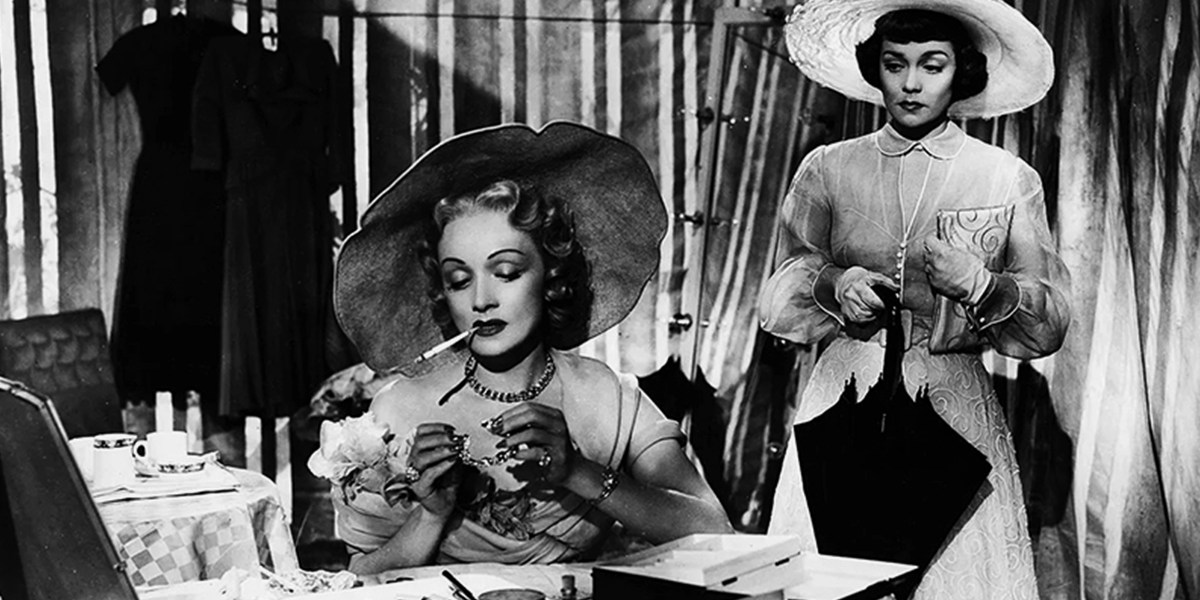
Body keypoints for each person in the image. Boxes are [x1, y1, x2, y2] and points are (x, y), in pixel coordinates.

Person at [761, 2, 1070, 598]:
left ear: (961, 72)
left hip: (952, 405)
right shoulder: (828, 168)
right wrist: (834, 283)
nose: (910, 83)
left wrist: (983, 285)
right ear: (875, 70)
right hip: (845, 398)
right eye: (894, 63)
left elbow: (1049, 321)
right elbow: (778, 297)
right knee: (836, 575)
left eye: (932, 65)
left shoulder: (1005, 176)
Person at [326, 122, 732, 573]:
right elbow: (360, 578)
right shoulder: (398, 410)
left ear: (551, 276)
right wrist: (431, 516)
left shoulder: (610, 399)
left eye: (506, 272)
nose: (481, 300)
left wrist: (579, 472)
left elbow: (715, 532)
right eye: (458, 280)